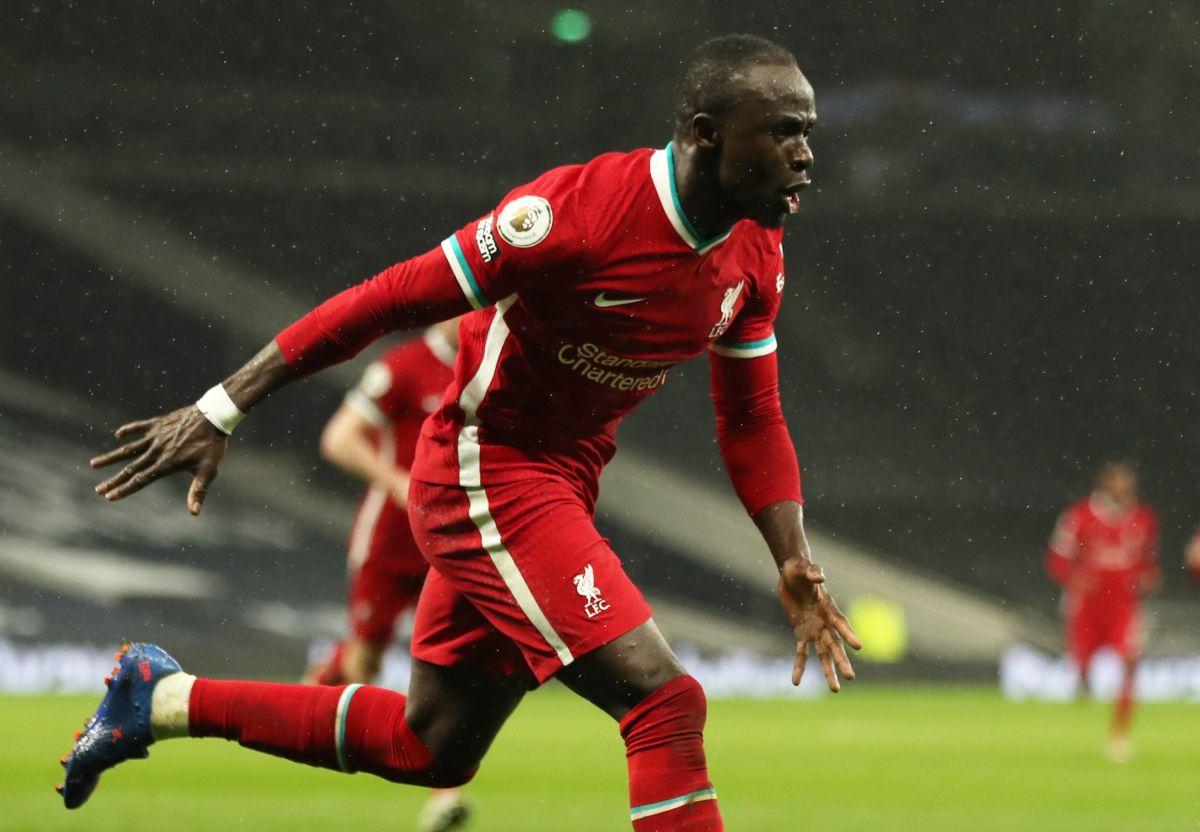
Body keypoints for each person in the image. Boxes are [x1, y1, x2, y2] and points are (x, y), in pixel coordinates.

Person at [65, 34, 861, 830]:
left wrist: (790, 555)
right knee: (664, 701)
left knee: (432, 747)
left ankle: (161, 698)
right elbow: (389, 299)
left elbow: (752, 416)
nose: (804, 156)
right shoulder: (573, 214)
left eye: (808, 134)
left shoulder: (757, 249)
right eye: (784, 131)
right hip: (487, 472)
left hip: (562, 484)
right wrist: (222, 406)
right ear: (705, 131)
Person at [307, 318, 469, 832]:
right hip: (392, 541)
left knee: (450, 666)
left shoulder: (494, 363)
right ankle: (324, 681)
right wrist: (400, 484)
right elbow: (339, 438)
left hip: (457, 540)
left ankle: (445, 791)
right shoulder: (402, 367)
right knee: (366, 662)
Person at [1045, 459, 1159, 762]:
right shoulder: (1080, 516)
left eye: (1127, 484)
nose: (1122, 489)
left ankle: (1118, 736)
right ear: (1104, 484)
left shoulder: (1143, 518)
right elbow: (1057, 559)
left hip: (1124, 606)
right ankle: (1083, 676)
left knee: (1129, 660)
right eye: (1116, 483)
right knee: (1082, 663)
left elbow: (1148, 560)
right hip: (1087, 605)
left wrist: (1148, 577)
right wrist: (1074, 578)